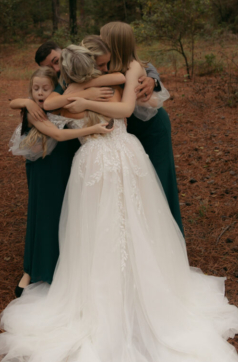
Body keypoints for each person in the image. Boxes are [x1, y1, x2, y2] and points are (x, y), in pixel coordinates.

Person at [0, 45, 238, 362]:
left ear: (65, 71)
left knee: (114, 225)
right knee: (115, 223)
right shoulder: (114, 84)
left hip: (99, 162)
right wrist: (63, 96)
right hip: (121, 157)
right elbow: (114, 95)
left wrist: (82, 96)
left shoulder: (77, 94)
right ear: (91, 66)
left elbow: (56, 103)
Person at [45, 30, 184, 235]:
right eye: (100, 65)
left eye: (106, 63)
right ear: (88, 62)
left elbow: (134, 72)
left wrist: (85, 94)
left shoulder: (111, 78)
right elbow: (49, 102)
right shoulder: (84, 82)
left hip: (142, 132)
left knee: (149, 195)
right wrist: (84, 92)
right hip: (110, 148)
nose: (106, 68)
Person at [10, 57, 125, 295]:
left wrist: (89, 91)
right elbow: (58, 132)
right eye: (35, 89)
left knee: (69, 213)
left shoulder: (62, 93)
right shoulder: (35, 109)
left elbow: (105, 83)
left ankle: (65, 265)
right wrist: (26, 101)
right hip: (44, 164)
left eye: (45, 88)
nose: (40, 93)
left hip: (68, 162)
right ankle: (31, 270)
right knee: (42, 213)